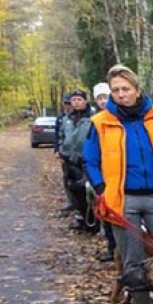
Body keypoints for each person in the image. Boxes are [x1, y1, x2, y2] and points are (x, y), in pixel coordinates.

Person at [83, 64, 153, 304]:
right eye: (115, 90)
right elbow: (90, 159)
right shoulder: (100, 123)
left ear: (137, 90)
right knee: (132, 257)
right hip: (123, 200)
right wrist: (100, 189)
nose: (121, 94)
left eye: (126, 89)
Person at [57, 89, 96, 233]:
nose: (76, 102)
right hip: (69, 160)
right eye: (74, 100)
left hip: (85, 160)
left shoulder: (93, 117)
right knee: (74, 192)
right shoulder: (67, 118)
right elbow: (61, 135)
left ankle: (93, 222)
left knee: (89, 193)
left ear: (85, 101)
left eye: (79, 99)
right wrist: (62, 150)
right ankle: (82, 220)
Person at [90, 82, 118, 263]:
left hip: (119, 178)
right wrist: (97, 182)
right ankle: (112, 248)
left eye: (105, 97)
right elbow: (90, 154)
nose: (103, 101)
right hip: (103, 178)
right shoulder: (96, 121)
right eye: (99, 98)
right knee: (107, 216)